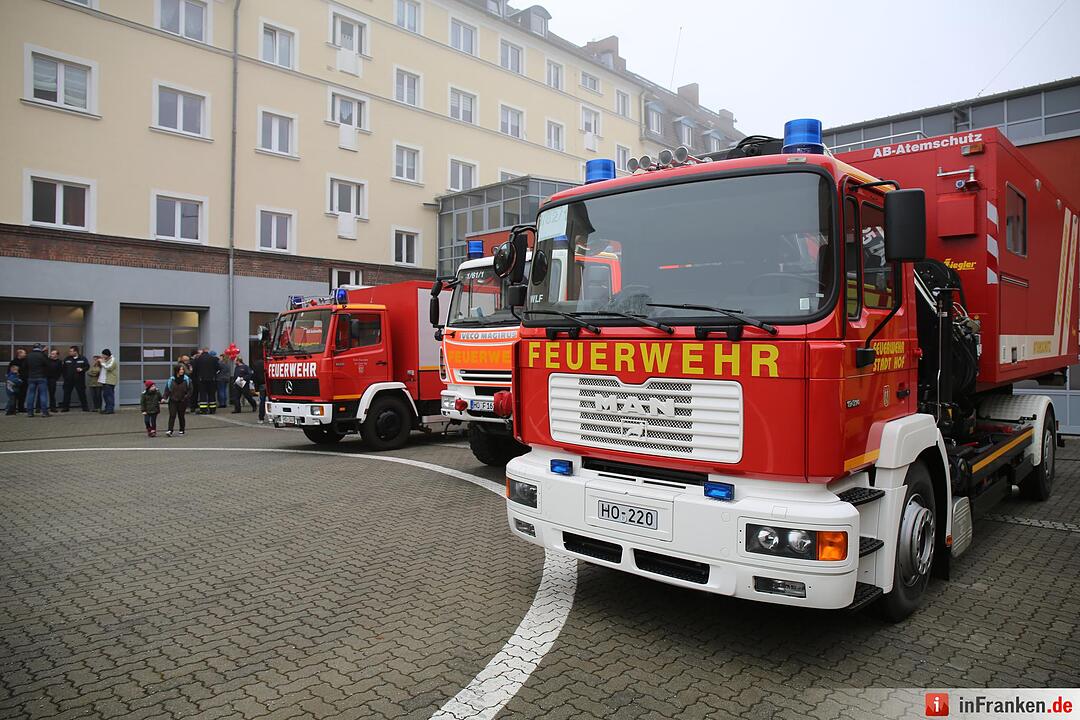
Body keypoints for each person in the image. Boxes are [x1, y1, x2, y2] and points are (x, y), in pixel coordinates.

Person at [163, 364, 192, 436]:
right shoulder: (171, 379)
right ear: (176, 371)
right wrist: (164, 398)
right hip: (173, 400)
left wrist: (186, 397)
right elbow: (167, 390)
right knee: (172, 415)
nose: (181, 371)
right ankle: (170, 430)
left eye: (182, 369)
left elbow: (190, 390)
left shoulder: (187, 379)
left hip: (182, 400)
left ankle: (181, 430)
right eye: (180, 369)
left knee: (181, 416)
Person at [61, 346, 91, 412]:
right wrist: (65, 377)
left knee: (82, 394)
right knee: (67, 394)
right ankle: (65, 408)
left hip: (79, 380)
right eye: (69, 351)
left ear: (76, 352)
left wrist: (82, 369)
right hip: (68, 380)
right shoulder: (67, 359)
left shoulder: (82, 358)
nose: (69, 352)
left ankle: (85, 407)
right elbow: (63, 369)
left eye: (71, 351)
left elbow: (87, 366)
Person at [25, 343, 50, 417]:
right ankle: (44, 412)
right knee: (43, 394)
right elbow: (48, 364)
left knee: (31, 394)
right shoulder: (42, 355)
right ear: (40, 348)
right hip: (41, 377)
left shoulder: (28, 355)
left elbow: (24, 366)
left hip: (31, 377)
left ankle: (30, 412)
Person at [192, 348, 219, 414]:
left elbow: (194, 370)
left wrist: (197, 377)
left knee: (203, 394)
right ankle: (212, 409)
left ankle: (203, 410)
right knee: (212, 394)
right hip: (212, 379)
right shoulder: (213, 359)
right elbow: (218, 368)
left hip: (201, 380)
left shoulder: (198, 359)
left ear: (202, 352)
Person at [8, 349, 28, 414]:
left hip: (24, 381)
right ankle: (12, 409)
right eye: (24, 353)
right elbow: (9, 371)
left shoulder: (26, 361)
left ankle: (21, 408)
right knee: (14, 396)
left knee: (23, 395)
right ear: (19, 354)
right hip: (15, 381)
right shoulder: (13, 361)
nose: (25, 354)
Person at [99, 349, 118, 414]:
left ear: (107, 355)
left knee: (109, 396)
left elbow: (109, 367)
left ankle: (110, 409)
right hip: (105, 381)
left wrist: (102, 362)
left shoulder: (112, 360)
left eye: (103, 355)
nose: (102, 356)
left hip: (110, 381)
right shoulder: (106, 360)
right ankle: (107, 408)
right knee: (105, 395)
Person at [253, 356, 267, 423]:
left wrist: (256, 388)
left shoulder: (256, 365)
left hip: (261, 384)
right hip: (269, 383)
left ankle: (261, 418)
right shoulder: (267, 362)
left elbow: (255, 377)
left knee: (262, 401)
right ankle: (273, 417)